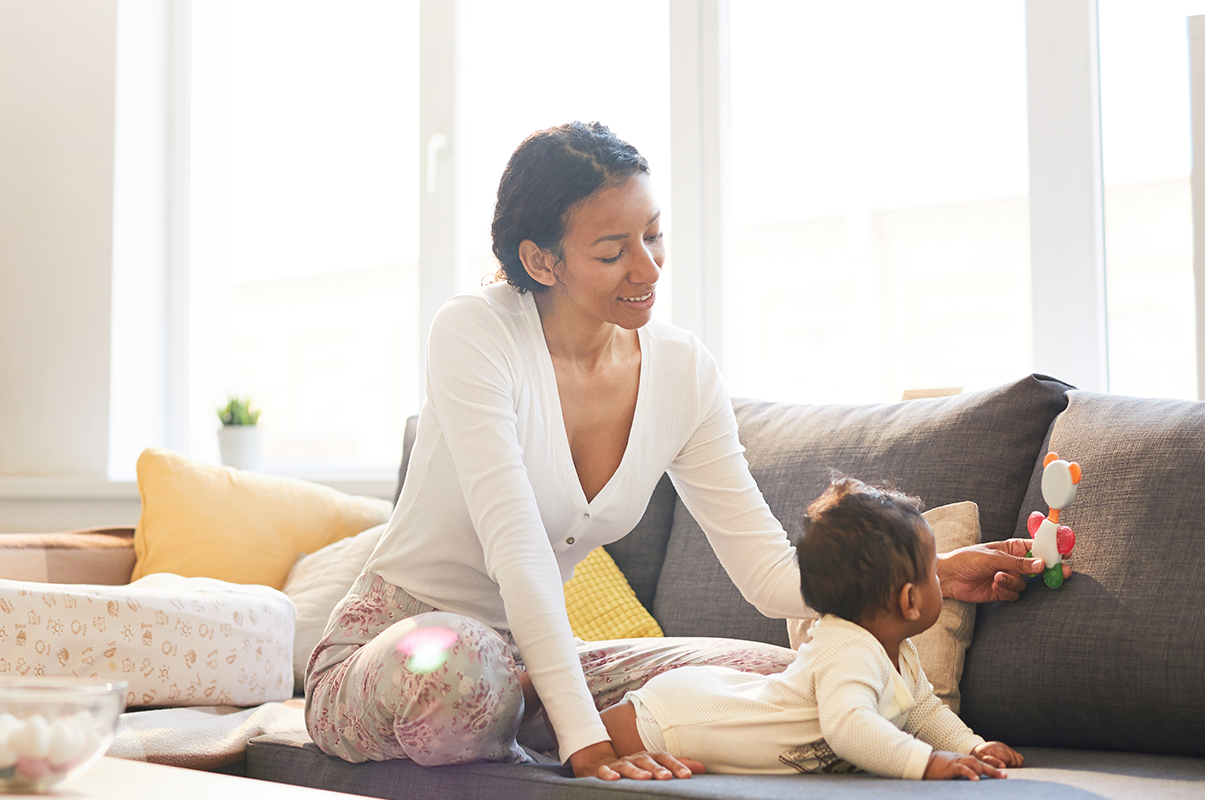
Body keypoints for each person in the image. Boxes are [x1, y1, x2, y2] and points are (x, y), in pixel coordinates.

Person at [303, 121, 1058, 782]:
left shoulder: (681, 371)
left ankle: (524, 713)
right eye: (612, 251)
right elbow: (519, 552)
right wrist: (587, 742)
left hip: (539, 664)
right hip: (406, 655)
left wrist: (926, 572)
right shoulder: (475, 332)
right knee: (464, 668)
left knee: (787, 682)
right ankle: (528, 717)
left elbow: (767, 573)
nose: (648, 268)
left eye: (653, 235)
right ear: (541, 260)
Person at [596, 476, 1026, 780]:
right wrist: (925, 764)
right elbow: (851, 728)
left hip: (705, 700)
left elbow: (924, 711)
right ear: (909, 600)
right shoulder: (848, 650)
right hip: (675, 718)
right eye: (934, 571)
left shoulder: (899, 652)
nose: (941, 578)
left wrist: (971, 746)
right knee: (581, 742)